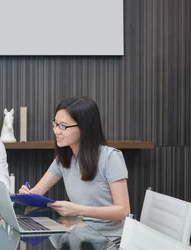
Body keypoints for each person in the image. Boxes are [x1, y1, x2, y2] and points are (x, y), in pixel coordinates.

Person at [19, 97, 130, 237]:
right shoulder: (63, 158)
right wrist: (27, 195)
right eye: (56, 124)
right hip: (80, 233)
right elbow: (37, 191)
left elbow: (123, 211)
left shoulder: (110, 157)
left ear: (84, 128)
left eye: (63, 126)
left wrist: (78, 210)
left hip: (108, 240)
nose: (56, 131)